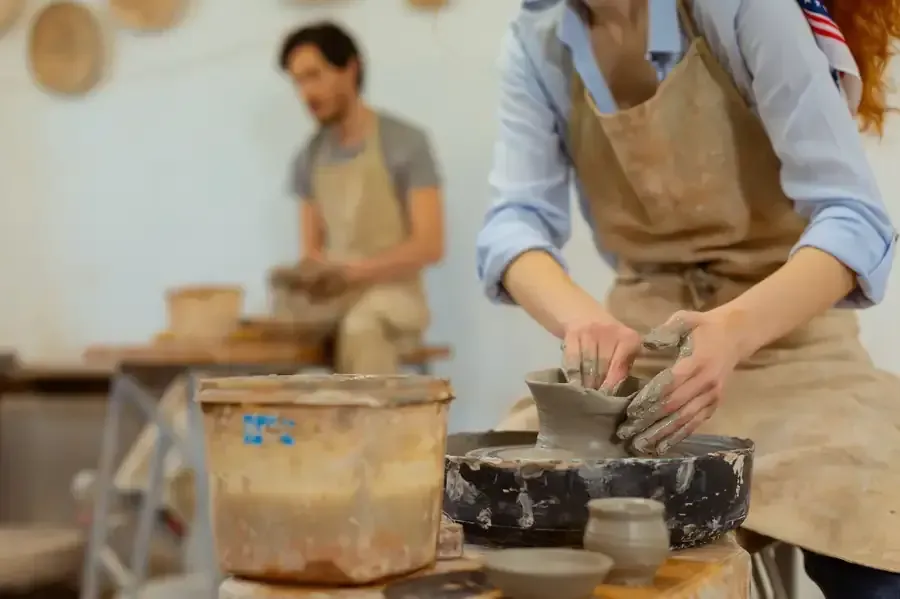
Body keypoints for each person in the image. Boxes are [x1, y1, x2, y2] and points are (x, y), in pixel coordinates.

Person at [476, 0, 900, 596]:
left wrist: (733, 330)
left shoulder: (745, 9)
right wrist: (585, 321)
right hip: (643, 361)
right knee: (493, 511)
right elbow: (512, 225)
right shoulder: (537, 38)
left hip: (792, 353)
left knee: (878, 546)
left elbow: (854, 219)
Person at [279, 22, 444, 374]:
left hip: (395, 297)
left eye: (314, 75)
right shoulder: (308, 157)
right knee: (277, 338)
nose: (307, 92)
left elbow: (430, 245)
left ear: (350, 68)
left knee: (361, 326)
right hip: (336, 298)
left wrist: (354, 272)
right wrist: (307, 277)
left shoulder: (405, 142)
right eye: (298, 81)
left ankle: (370, 429)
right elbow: (311, 252)